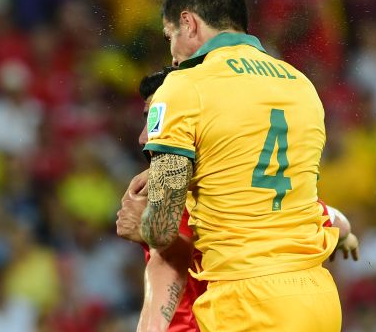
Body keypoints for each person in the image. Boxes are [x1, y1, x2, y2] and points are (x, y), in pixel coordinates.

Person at [138, 0, 346, 331]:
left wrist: (139, 221)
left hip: (246, 302)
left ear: (188, 23)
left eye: (170, 37)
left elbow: (161, 227)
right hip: (318, 298)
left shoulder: (184, 86)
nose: (172, 56)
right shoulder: (301, 85)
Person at [117, 68, 360, 331]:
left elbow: (168, 268)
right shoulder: (238, 194)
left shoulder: (185, 201)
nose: (144, 136)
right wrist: (345, 235)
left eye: (157, 120)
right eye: (148, 119)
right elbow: (329, 217)